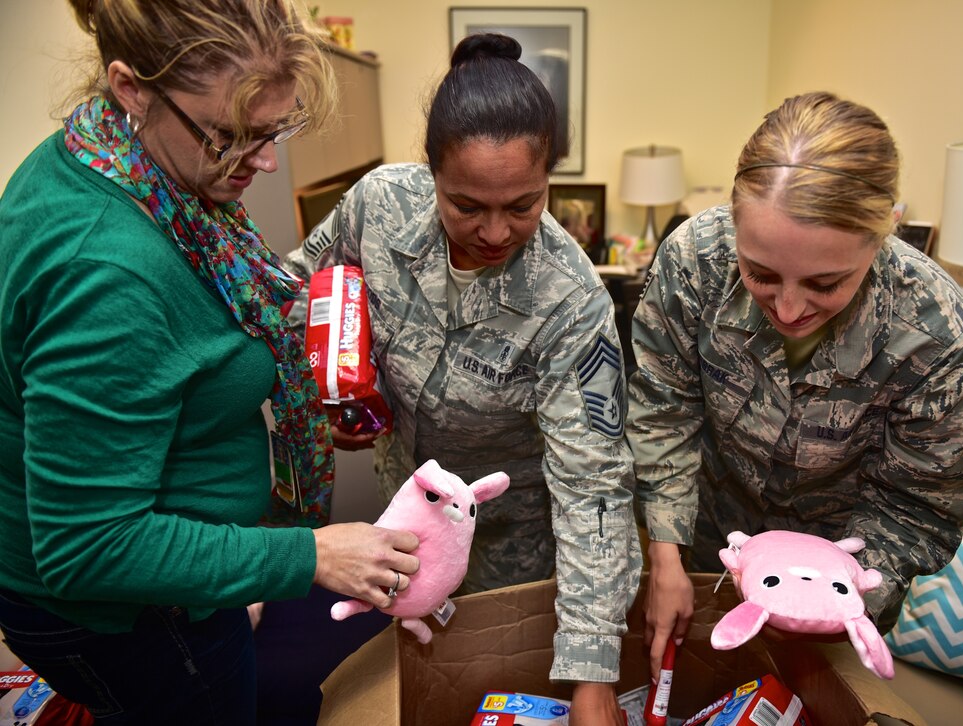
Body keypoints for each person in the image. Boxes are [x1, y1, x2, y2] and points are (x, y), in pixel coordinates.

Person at [0, 2, 420, 723]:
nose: (263, 161)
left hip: (182, 574)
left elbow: (171, 367)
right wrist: (304, 557)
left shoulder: (123, 157)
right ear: (132, 88)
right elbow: (88, 546)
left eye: (274, 131)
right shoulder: (108, 271)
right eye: (233, 136)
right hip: (125, 613)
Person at [282, 33, 641, 725]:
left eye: (524, 205)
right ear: (432, 173)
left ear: (550, 180)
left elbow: (594, 485)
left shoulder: (569, 300)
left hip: (513, 547)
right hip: (404, 523)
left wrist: (594, 670)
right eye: (467, 205)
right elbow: (297, 292)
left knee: (497, 699)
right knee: (415, 689)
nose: (497, 231)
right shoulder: (378, 205)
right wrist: (325, 390)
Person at [626, 91, 963, 678]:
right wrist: (665, 553)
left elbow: (923, 503)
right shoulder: (694, 262)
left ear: (886, 231)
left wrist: (827, 602)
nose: (790, 308)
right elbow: (664, 410)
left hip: (844, 584)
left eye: (826, 283)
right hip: (710, 547)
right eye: (761, 274)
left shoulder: (935, 331)